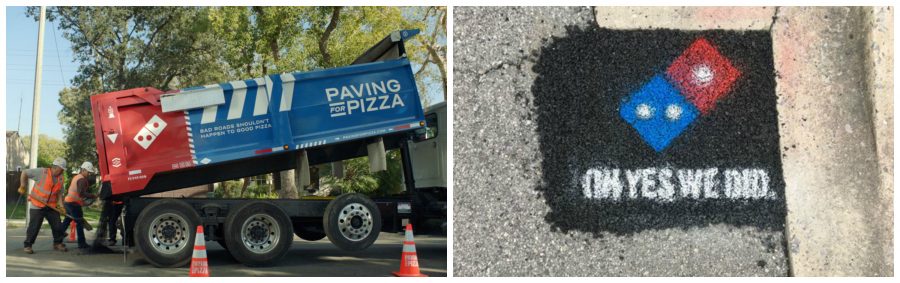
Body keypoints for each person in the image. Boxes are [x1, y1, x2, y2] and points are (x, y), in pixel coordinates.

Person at [17, 157, 69, 254]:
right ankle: (28, 245)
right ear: (56, 167)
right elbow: (25, 173)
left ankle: (57, 243)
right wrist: (23, 185)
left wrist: (61, 206)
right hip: (37, 205)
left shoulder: (61, 178)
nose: (62, 171)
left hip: (51, 206)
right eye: (62, 169)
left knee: (57, 225)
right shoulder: (42, 172)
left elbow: (59, 194)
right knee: (34, 226)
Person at [61, 162, 98, 249]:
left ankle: (58, 238)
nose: (89, 174)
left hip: (68, 202)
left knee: (67, 220)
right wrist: (92, 195)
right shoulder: (82, 179)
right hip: (73, 204)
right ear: (83, 170)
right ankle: (82, 243)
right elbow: (81, 193)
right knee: (79, 223)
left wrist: (83, 202)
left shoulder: (76, 177)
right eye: (88, 172)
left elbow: (76, 193)